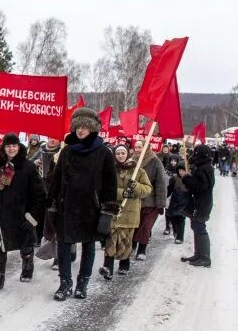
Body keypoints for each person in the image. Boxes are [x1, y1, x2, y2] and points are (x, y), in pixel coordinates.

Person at [47, 107, 118, 301]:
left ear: (93, 129)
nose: (80, 130)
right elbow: (56, 179)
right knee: (63, 246)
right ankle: (65, 284)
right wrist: (52, 205)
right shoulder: (67, 151)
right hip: (66, 207)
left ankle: (82, 284)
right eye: (78, 126)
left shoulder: (103, 152)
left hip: (91, 208)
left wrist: (107, 211)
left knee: (88, 246)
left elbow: (111, 184)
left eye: (85, 127)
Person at [0, 133, 45, 291]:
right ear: (4, 147)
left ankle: (28, 264)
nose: (11, 149)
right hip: (0, 214)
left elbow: (39, 194)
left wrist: (32, 216)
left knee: (25, 245)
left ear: (19, 147)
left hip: (21, 214)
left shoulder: (28, 167)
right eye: (8, 146)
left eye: (14, 146)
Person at [99, 144, 151, 279]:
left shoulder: (138, 171)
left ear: (127, 154)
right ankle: (108, 268)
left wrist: (136, 187)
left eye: (123, 153)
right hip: (114, 211)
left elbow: (147, 189)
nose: (120, 156)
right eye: (118, 154)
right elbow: (105, 188)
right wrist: (122, 193)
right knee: (111, 240)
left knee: (126, 241)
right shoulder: (110, 170)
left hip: (130, 213)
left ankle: (124, 265)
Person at [130, 138, 167, 263]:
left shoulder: (155, 162)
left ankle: (142, 249)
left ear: (147, 148)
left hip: (150, 202)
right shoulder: (131, 161)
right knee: (135, 226)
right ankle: (133, 245)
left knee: (145, 227)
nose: (137, 149)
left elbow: (161, 184)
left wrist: (161, 203)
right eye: (136, 147)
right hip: (134, 200)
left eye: (140, 147)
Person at [180, 145, 215, 267]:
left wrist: (186, 178)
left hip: (201, 204)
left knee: (200, 228)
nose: (194, 154)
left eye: (196, 152)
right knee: (196, 226)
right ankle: (198, 254)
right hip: (200, 202)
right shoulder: (202, 166)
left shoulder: (203, 168)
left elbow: (200, 187)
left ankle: (205, 258)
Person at [30, 137, 61, 249]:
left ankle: (52, 243)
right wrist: (35, 163)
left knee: (53, 217)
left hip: (55, 189)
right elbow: (28, 164)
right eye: (51, 138)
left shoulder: (62, 151)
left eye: (55, 138)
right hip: (40, 188)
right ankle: (38, 238)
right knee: (39, 215)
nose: (53, 140)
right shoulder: (41, 151)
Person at [167, 162, 190, 245]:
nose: (181, 172)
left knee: (181, 219)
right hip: (174, 201)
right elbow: (169, 190)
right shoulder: (174, 179)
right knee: (172, 217)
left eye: (183, 170)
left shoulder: (190, 178)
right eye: (180, 170)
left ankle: (180, 237)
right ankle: (175, 231)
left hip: (185, 202)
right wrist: (164, 197)